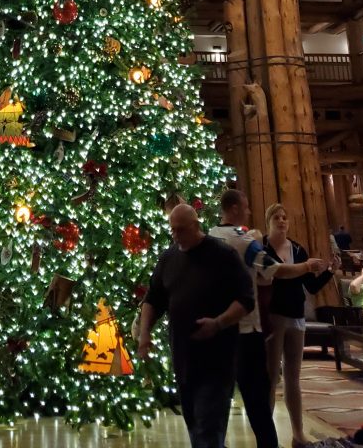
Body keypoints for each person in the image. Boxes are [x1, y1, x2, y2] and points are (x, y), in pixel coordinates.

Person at [209, 190, 325, 448]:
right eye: (246, 207)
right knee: (258, 395)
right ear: (236, 208)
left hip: (219, 326)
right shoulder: (244, 241)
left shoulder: (211, 236)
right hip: (247, 327)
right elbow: (275, 270)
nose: (249, 212)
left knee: (221, 390)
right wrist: (306, 267)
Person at [138, 204, 254, 448]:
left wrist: (219, 323)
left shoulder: (223, 255)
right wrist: (144, 333)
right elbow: (153, 299)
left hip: (217, 360)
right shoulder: (169, 258)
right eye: (172, 230)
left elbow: (245, 299)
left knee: (207, 430)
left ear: (196, 225)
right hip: (184, 360)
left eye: (181, 230)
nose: (176, 235)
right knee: (195, 426)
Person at [263, 203, 337, 448]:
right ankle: (267, 434)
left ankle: (298, 433)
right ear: (269, 221)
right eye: (277, 217)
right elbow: (275, 275)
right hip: (274, 314)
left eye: (285, 217)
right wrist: (303, 268)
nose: (282, 221)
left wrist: (330, 272)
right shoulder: (263, 248)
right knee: (272, 376)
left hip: (296, 315)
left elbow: (311, 286)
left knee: (294, 377)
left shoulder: (297, 248)